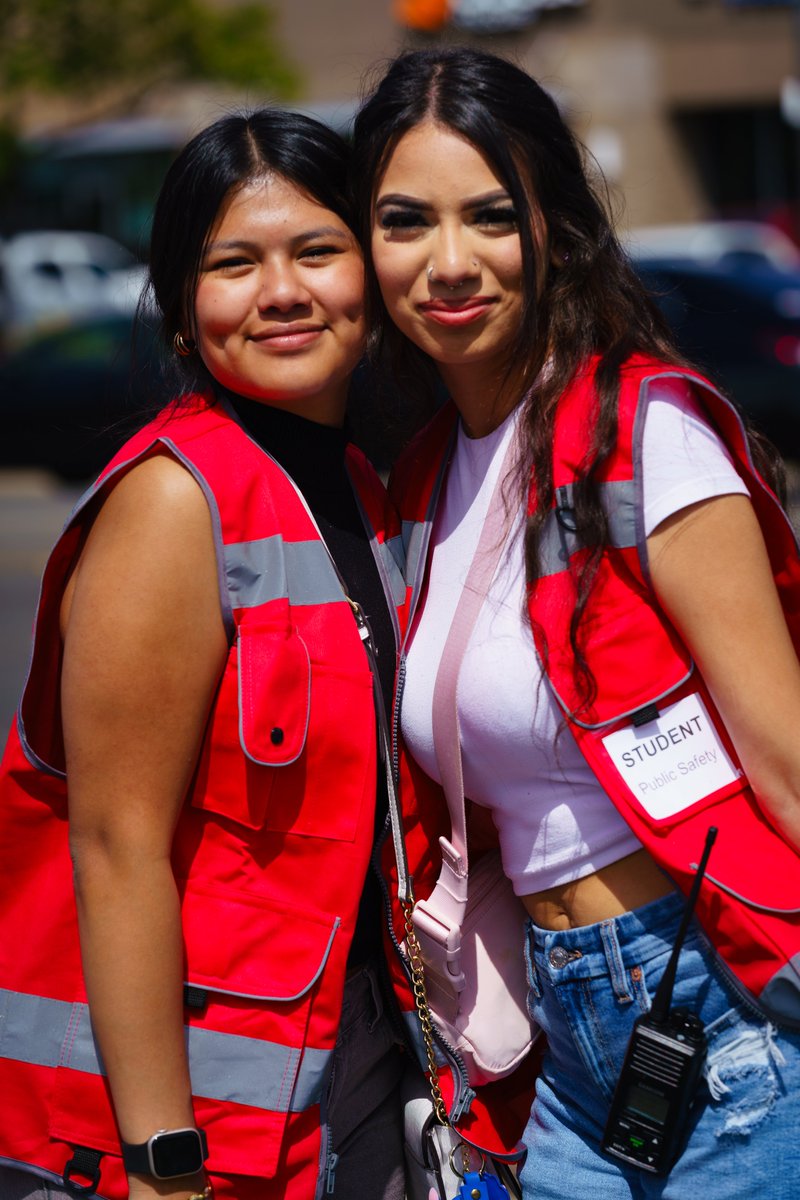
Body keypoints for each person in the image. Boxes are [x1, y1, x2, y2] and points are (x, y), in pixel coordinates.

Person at [352, 47, 800, 1198]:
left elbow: (789, 769)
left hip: (723, 1001)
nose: (447, 263)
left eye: (490, 217)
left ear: (552, 226)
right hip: (560, 1034)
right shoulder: (415, 480)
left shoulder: (640, 437)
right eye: (405, 222)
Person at [0, 109, 411, 1200]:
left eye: (316, 251)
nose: (281, 291)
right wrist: (161, 1162)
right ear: (185, 313)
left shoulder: (366, 489)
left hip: (339, 1085)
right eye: (234, 264)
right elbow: (114, 845)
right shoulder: (173, 504)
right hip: (189, 1141)